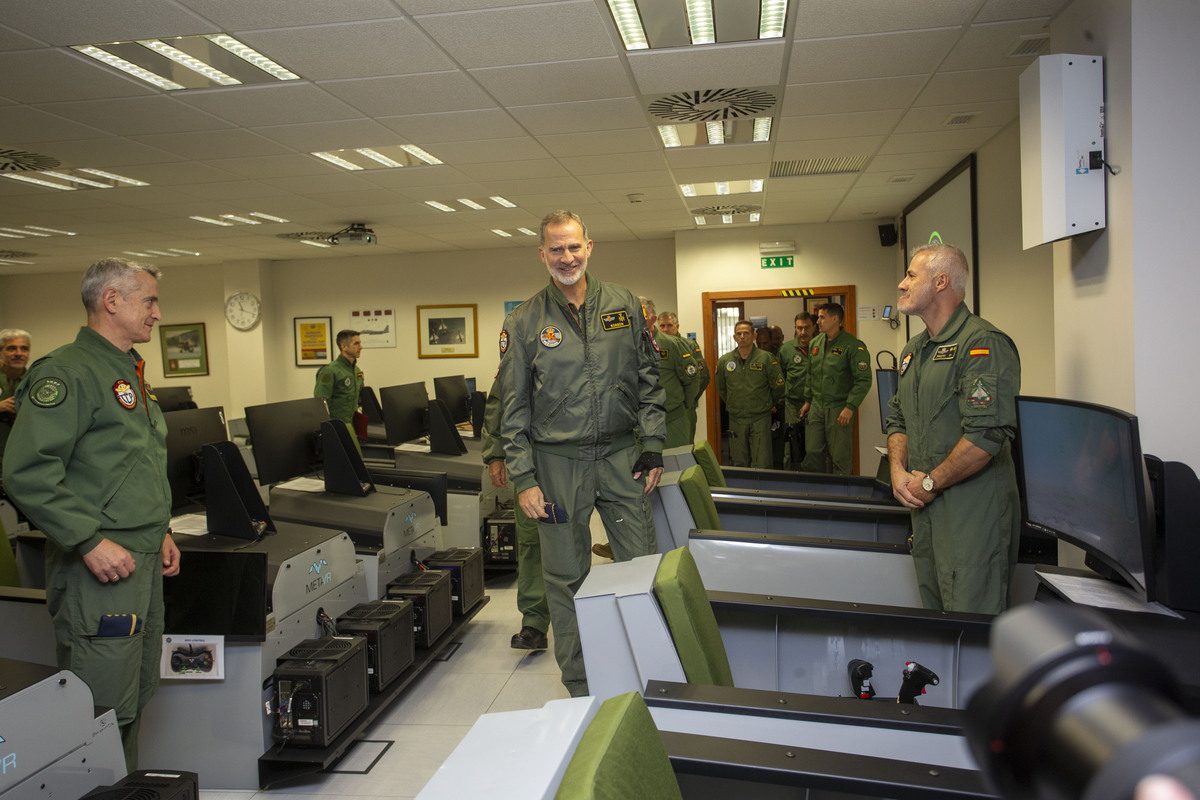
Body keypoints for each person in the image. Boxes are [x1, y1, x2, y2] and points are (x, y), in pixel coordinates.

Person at [3, 257, 180, 770]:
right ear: (112, 301)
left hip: (142, 555)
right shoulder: (66, 372)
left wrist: (161, 529)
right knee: (101, 702)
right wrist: (87, 540)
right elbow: (28, 473)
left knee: (137, 688)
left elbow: (128, 464)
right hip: (100, 564)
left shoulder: (125, 369)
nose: (158, 314)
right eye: (149, 301)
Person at [497, 210, 665, 697]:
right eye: (556, 249)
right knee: (567, 579)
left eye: (573, 247)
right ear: (542, 254)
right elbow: (513, 408)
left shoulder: (624, 304)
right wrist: (524, 478)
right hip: (556, 465)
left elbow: (649, 378)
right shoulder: (524, 321)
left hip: (620, 457)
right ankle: (581, 685)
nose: (566, 257)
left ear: (589, 246)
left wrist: (652, 445)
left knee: (641, 567)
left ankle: (650, 673)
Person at [885, 244, 1021, 614]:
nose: (901, 284)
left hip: (971, 516)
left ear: (941, 281)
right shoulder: (914, 349)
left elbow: (985, 437)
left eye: (911, 275)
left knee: (971, 621)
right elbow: (898, 417)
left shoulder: (982, 344)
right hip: (925, 511)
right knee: (937, 619)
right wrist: (897, 470)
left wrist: (929, 482)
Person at [481, 361, 549, 651]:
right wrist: (495, 454)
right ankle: (534, 623)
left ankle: (580, 616)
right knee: (531, 541)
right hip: (530, 459)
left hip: (580, 457)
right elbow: (498, 402)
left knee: (575, 539)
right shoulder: (519, 346)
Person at [800, 302, 872, 475]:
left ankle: (843, 497)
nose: (818, 321)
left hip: (839, 407)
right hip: (817, 406)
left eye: (822, 317)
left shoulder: (853, 346)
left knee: (840, 456)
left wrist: (850, 407)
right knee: (812, 452)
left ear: (836, 319)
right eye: (818, 317)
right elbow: (811, 374)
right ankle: (814, 495)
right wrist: (808, 401)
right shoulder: (815, 343)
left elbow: (863, 380)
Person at [716, 320, 783, 468]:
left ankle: (763, 490)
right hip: (736, 418)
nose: (742, 337)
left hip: (760, 417)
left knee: (762, 461)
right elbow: (721, 388)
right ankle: (742, 490)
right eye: (738, 334)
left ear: (754, 336)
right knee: (739, 460)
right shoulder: (725, 361)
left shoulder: (766, 358)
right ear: (734, 337)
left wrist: (767, 403)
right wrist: (733, 403)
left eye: (746, 333)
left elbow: (778, 386)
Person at [658, 311, 709, 442]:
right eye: (662, 326)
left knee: (684, 448)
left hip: (683, 408)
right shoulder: (654, 346)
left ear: (677, 326)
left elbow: (702, 377)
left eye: (669, 325)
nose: (665, 329)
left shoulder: (689, 345)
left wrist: (687, 401)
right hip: (661, 409)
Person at [778, 313, 815, 470]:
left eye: (807, 327)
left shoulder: (821, 347)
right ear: (795, 328)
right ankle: (790, 484)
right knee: (791, 446)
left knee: (814, 447)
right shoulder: (786, 349)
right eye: (799, 328)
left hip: (816, 405)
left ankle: (814, 484)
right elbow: (780, 378)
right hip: (792, 405)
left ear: (814, 327)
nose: (803, 332)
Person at [314, 329, 364, 442]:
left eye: (360, 343)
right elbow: (320, 403)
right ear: (344, 347)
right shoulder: (330, 371)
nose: (361, 347)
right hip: (336, 428)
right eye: (356, 343)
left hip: (352, 427)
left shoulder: (357, 371)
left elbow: (360, 397)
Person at [0, 328, 31, 476]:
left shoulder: (34, 380)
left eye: (24, 348)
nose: (18, 353)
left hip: (20, 456)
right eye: (11, 348)